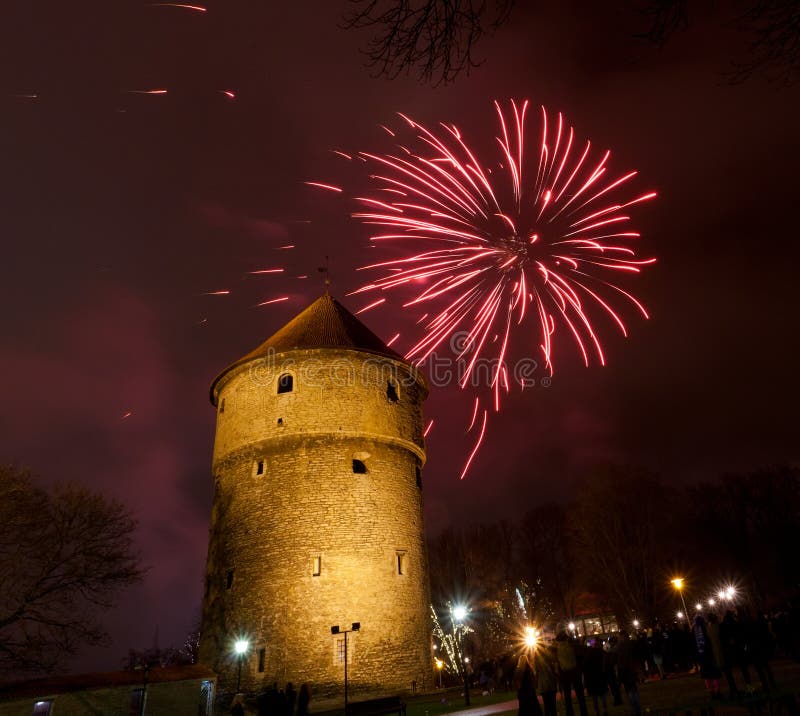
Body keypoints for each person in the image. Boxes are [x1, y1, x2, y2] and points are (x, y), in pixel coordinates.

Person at [555, 631, 588, 716]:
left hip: (564, 673)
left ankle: (570, 713)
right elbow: (580, 654)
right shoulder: (571, 645)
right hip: (574, 671)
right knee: (580, 695)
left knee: (567, 696)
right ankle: (584, 712)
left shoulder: (557, 647)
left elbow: (556, 662)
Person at [693, 614, 722, 699]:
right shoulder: (707, 628)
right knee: (715, 674)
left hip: (701, 656)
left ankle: (711, 692)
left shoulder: (694, 631)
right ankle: (717, 691)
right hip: (710, 654)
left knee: (707, 676)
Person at [583, 640, 609, 716]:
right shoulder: (602, 653)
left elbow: (585, 666)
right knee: (602, 695)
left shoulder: (589, 654)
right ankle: (605, 710)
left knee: (594, 696)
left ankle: (597, 711)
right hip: (601, 676)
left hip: (592, 678)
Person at [534, 643, 559, 716]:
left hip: (543, 685)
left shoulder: (537, 658)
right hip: (550, 683)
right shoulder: (548, 656)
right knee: (553, 705)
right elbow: (553, 666)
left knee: (547, 705)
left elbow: (537, 671)